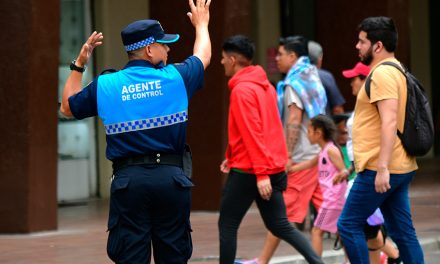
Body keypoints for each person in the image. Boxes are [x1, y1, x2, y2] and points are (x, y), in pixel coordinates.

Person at [59, 0, 212, 263]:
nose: (168, 48)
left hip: (129, 184)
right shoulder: (175, 78)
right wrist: (202, 25)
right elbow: (203, 56)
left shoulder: (106, 85)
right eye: (164, 44)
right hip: (171, 182)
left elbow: (66, 107)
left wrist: (79, 65)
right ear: (149, 50)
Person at [217, 35, 324, 264]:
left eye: (224, 58)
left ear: (233, 59)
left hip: (252, 171)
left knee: (227, 224)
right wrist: (231, 156)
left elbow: (252, 132)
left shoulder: (242, 90)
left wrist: (261, 173)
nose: (221, 62)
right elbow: (266, 128)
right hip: (268, 167)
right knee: (280, 225)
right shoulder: (265, 86)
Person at [337, 16, 424, 264]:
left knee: (348, 224)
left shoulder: (383, 74)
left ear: (377, 46)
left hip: (381, 167)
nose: (357, 46)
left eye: (361, 41)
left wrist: (382, 168)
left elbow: (389, 121)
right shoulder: (396, 69)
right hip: (396, 164)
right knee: (402, 233)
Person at [256, 36, 327, 264]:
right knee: (332, 218)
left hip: (302, 159)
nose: (277, 59)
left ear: (292, 56)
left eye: (280, 54)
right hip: (320, 155)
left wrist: (286, 155)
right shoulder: (312, 76)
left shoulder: (294, 83)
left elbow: (294, 120)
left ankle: (262, 261)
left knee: (281, 218)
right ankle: (386, 254)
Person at [340, 62, 402, 264]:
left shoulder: (373, 106)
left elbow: (380, 137)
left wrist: (380, 168)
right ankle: (394, 257)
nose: (351, 83)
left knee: (357, 226)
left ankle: (395, 256)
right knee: (368, 227)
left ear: (365, 80)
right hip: (361, 172)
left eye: (354, 79)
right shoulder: (362, 106)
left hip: (370, 174)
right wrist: (349, 168)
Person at [287, 114, 348, 256]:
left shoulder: (331, 150)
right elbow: (309, 164)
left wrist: (342, 173)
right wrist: (289, 170)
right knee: (344, 232)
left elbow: (343, 169)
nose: (307, 135)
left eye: (308, 131)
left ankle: (316, 261)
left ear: (318, 133)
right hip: (333, 200)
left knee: (316, 230)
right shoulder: (324, 150)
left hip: (333, 201)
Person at [308, 40, 346, 115]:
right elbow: (337, 109)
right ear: (320, 58)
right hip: (322, 124)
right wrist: (342, 127)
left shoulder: (293, 77)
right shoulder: (326, 77)